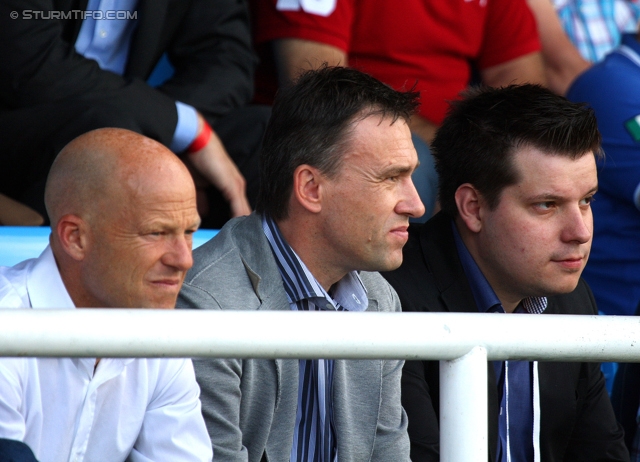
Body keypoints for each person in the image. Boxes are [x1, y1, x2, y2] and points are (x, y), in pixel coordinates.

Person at [177, 66, 424, 461]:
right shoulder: (208, 304)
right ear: (311, 188)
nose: (416, 204)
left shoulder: (379, 299)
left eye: (410, 176)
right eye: (391, 178)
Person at [381, 84, 629, 462]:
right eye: (547, 205)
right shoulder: (392, 300)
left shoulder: (572, 299)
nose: (579, 231)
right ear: (473, 208)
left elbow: (602, 452)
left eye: (586, 201)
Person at [0, 128, 212, 461]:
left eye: (188, 232)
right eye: (156, 233)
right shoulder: (4, 323)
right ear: (75, 238)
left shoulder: (163, 339)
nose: (184, 259)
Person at [249, 0, 546, 220]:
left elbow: (523, 96)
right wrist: (458, 152)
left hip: (454, 144)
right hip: (344, 138)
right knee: (407, 167)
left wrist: (487, 153)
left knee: (546, 166)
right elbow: (322, 95)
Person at [0, 0, 269, 228]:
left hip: (132, 121)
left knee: (266, 139)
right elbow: (31, 62)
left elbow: (226, 63)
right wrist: (179, 125)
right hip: (19, 131)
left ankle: (224, 283)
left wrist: (160, 148)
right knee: (105, 135)